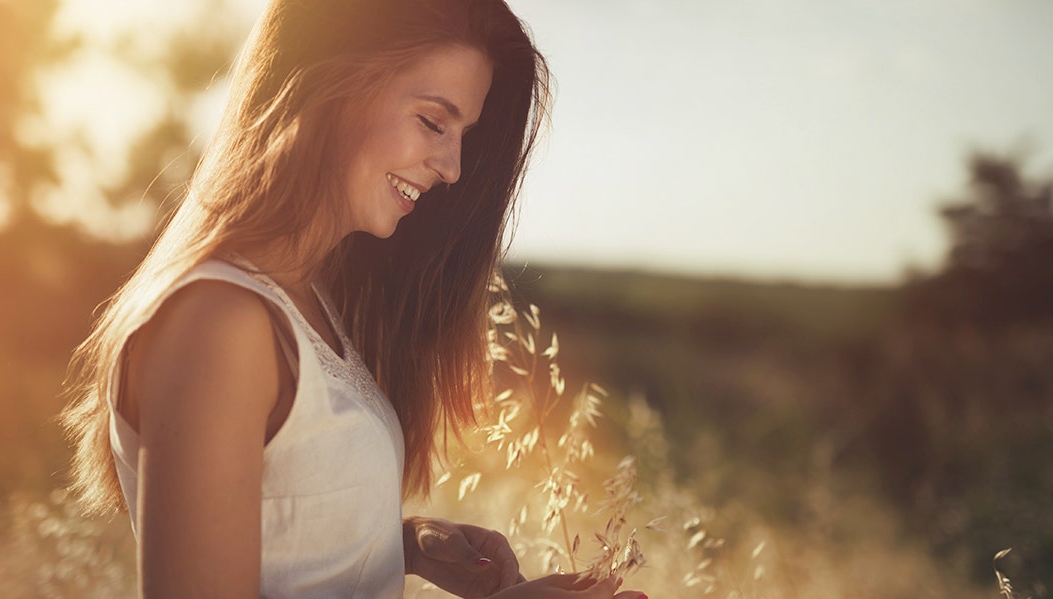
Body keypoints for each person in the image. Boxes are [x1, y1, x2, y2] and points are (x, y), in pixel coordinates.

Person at [61, 0, 647, 597]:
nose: (452, 167)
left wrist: (402, 544)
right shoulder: (220, 321)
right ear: (329, 86)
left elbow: (284, 540)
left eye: (462, 135)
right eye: (432, 122)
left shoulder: (307, 301)